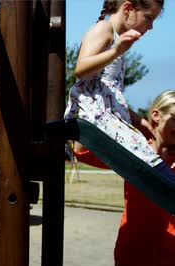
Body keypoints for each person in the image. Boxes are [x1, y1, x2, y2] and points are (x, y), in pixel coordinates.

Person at [74, 90, 175, 266]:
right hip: (133, 264)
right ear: (156, 116)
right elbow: (84, 151)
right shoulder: (134, 149)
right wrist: (101, 108)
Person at [64, 0, 175, 185]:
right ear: (128, 8)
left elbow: (110, 93)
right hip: (94, 123)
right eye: (148, 18)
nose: (151, 26)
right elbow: (81, 69)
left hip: (107, 121)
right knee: (145, 157)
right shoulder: (104, 28)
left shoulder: (117, 40)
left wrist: (138, 120)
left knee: (145, 154)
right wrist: (116, 50)